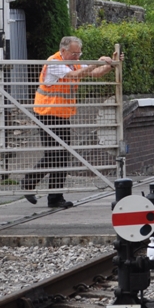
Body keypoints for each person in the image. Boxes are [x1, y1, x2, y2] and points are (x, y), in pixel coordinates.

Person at [22, 36, 119, 208]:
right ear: (63, 50)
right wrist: (96, 62)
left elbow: (95, 73)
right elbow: (75, 74)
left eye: (79, 53)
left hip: (61, 115)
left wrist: (110, 64)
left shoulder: (73, 61)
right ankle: (30, 184)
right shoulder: (54, 62)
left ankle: (54, 197)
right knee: (55, 154)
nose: (77, 56)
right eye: (74, 53)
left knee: (61, 155)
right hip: (47, 113)